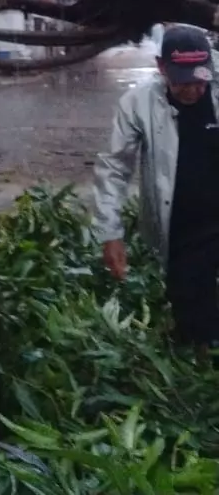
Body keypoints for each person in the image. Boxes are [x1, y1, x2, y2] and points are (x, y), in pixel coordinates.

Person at [94, 23, 219, 347]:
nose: (194, 90)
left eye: (200, 80)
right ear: (162, 68)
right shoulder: (138, 104)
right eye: (183, 83)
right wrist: (111, 232)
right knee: (191, 315)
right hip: (180, 227)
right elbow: (114, 167)